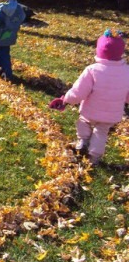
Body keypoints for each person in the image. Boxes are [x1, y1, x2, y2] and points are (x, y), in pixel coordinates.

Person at [49, 30, 129, 166]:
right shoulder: (126, 71)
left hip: (91, 110)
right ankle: (94, 157)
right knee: (101, 132)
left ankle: (83, 141)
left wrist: (67, 100)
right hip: (112, 112)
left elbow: (79, 91)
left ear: (99, 51)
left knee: (83, 121)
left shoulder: (92, 70)